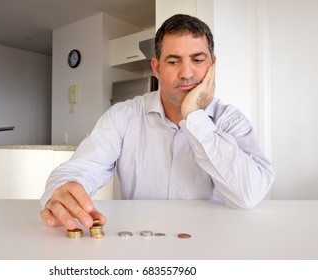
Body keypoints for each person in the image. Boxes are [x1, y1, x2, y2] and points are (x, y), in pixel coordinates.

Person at [40, 14, 275, 230]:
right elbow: (81, 168)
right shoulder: (122, 116)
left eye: (198, 60)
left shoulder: (230, 120)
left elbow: (249, 194)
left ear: (212, 66)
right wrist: (63, 190)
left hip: (212, 243)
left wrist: (195, 116)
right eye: (173, 62)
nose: (186, 73)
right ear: (156, 68)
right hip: (140, 242)